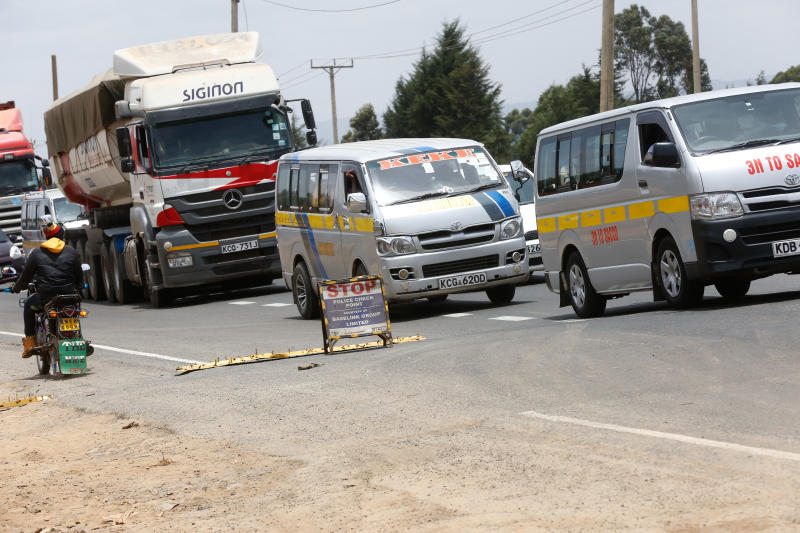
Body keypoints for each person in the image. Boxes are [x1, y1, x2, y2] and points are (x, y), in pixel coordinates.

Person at [12, 216, 82, 358]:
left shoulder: (36, 254)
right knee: (74, 311)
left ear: (46, 237)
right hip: (69, 295)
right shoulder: (72, 251)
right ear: (61, 236)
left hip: (46, 297)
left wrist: (17, 288)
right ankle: (78, 337)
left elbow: (25, 277)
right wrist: (80, 286)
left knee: (28, 306)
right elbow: (79, 277)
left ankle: (30, 343)